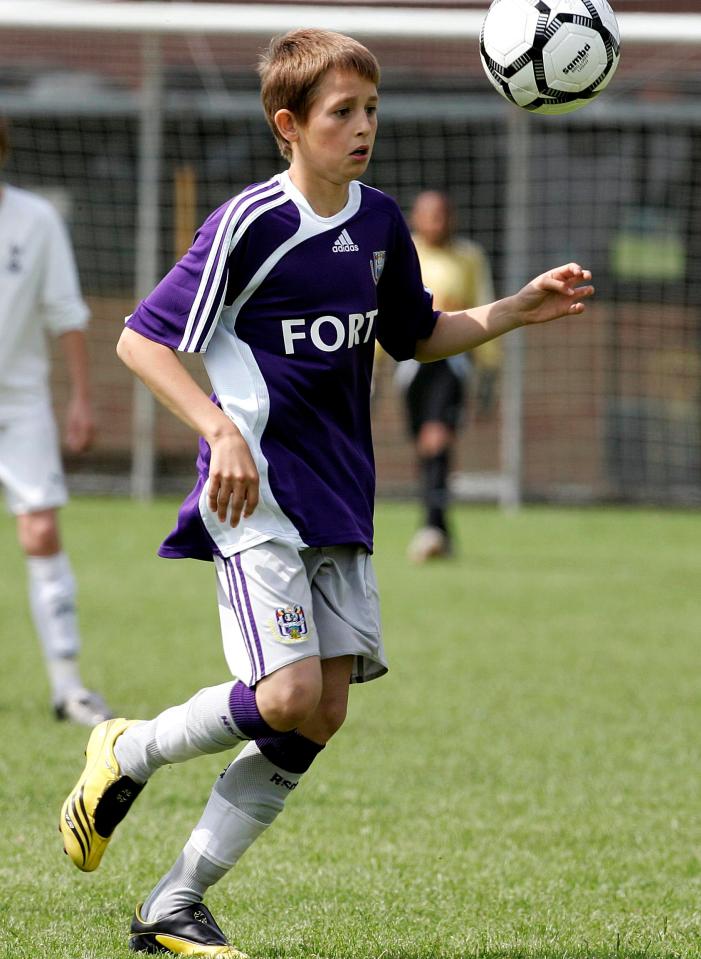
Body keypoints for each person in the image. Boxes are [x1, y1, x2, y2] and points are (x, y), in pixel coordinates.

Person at [59, 29, 594, 957]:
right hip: (254, 491)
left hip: (341, 494)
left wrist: (513, 308)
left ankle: (172, 904)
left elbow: (417, 334)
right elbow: (141, 341)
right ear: (289, 125)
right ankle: (128, 748)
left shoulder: (381, 222)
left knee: (325, 710)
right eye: (341, 112)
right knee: (285, 691)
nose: (362, 127)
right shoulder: (248, 223)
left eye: (370, 109)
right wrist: (219, 429)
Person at [0, 118, 112, 727]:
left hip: (19, 403)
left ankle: (69, 687)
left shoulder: (36, 219)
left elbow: (66, 313)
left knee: (41, 533)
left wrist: (81, 399)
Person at [397, 189, 498, 563]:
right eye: (428, 215)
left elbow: (485, 306)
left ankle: (431, 527)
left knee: (436, 438)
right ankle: (439, 526)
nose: (436, 222)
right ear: (416, 219)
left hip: (453, 362)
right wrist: (372, 369)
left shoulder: (468, 257)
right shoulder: (404, 251)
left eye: (442, 214)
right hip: (408, 363)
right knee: (426, 444)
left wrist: (488, 368)